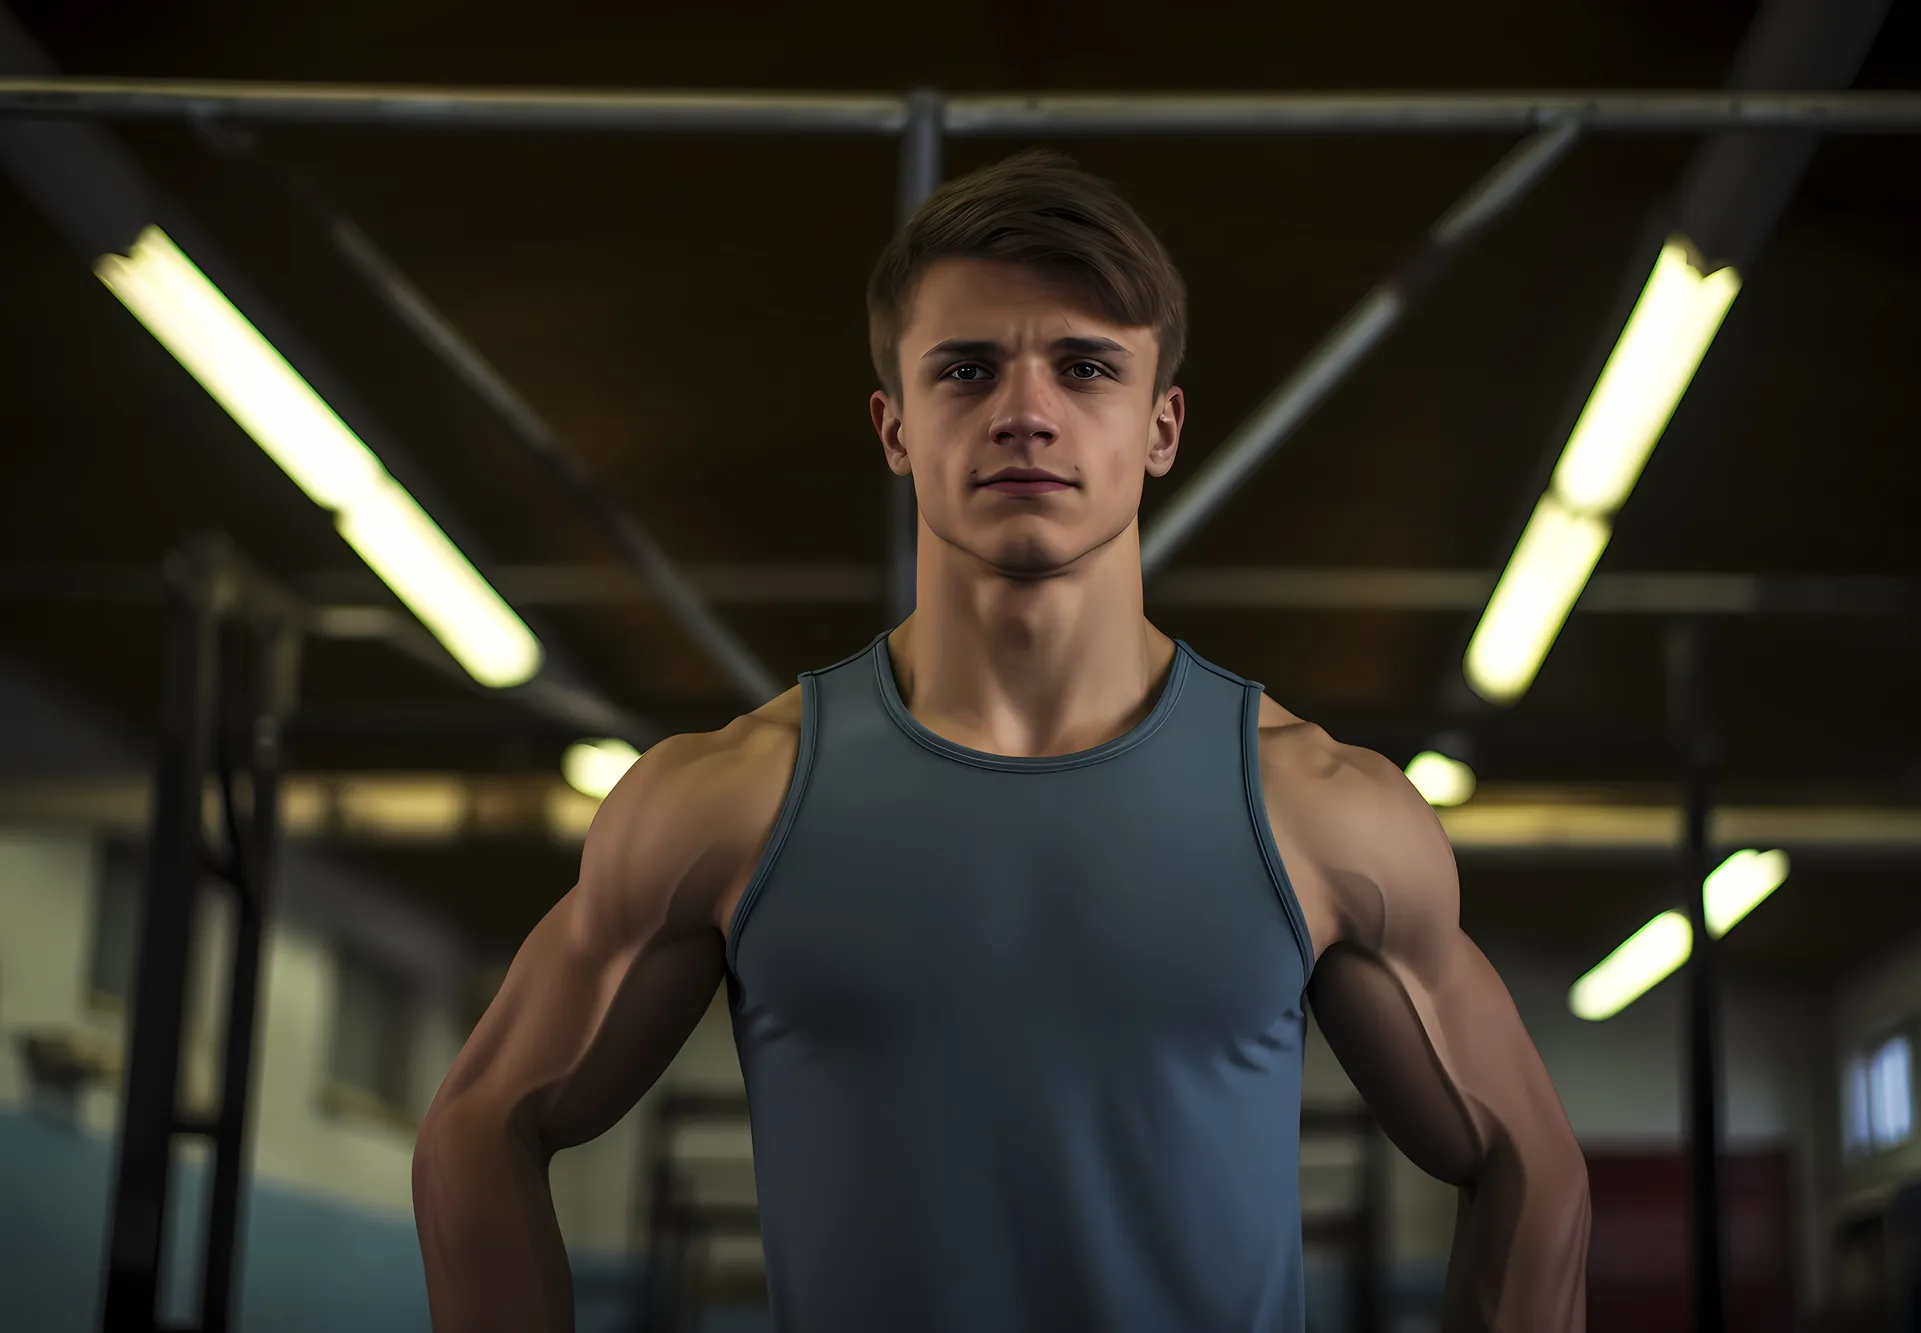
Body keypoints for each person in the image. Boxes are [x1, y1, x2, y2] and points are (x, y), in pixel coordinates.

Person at [413, 148, 1590, 1333]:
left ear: (1161, 425)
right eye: (965, 370)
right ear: (893, 426)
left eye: (1086, 368)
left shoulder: (1321, 807)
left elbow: (1530, 1167)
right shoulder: (725, 801)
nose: (1025, 413)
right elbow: (478, 1126)